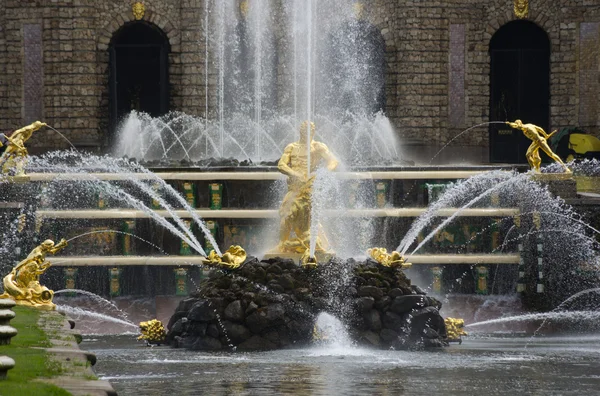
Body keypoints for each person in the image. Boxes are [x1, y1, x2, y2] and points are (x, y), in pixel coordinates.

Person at [276, 121, 338, 254]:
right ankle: (282, 245)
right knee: (286, 214)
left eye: (310, 131)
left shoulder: (318, 147)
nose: (308, 134)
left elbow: (333, 161)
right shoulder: (291, 147)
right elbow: (281, 165)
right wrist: (294, 173)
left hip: (309, 188)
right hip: (294, 187)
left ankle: (319, 245)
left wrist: (321, 175)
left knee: (309, 217)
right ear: (300, 132)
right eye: (305, 131)